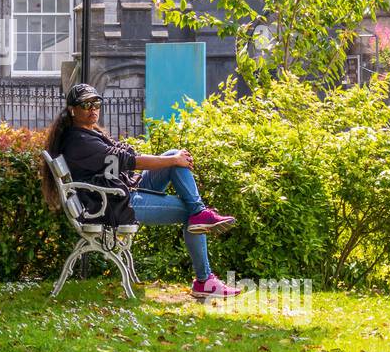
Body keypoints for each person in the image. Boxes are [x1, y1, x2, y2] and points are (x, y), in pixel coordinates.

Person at [41, 83, 243, 298]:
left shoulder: (87, 134)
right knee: (190, 214)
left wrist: (173, 159)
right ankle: (204, 280)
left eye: (96, 103)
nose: (93, 109)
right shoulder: (79, 141)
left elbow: (120, 163)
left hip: (120, 193)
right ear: (72, 109)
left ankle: (199, 213)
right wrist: (173, 160)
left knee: (176, 162)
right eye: (86, 104)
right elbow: (128, 161)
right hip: (115, 204)